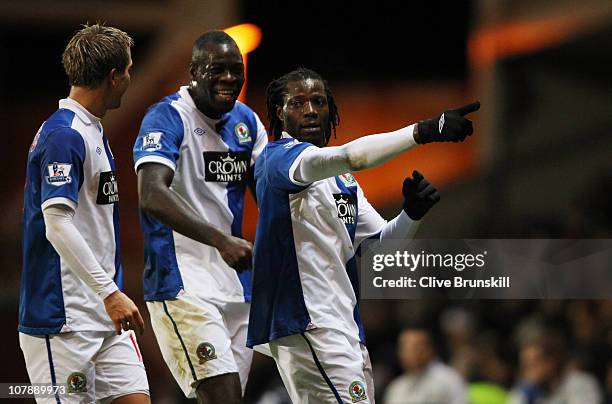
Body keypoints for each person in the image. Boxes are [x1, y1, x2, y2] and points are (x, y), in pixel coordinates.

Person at [247, 67, 479, 403]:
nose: (310, 110)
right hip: (309, 322)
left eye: (318, 101)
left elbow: (380, 248)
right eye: (297, 103)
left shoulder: (343, 183)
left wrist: (411, 213)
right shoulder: (280, 159)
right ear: (280, 114)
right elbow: (352, 156)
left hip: (341, 326)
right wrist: (426, 130)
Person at [132, 31, 267, 403]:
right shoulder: (166, 117)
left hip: (238, 289)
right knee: (222, 396)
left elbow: (270, 198)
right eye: (217, 69)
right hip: (182, 285)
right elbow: (151, 194)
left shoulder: (248, 123)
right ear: (194, 71)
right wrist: (220, 240)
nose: (228, 78)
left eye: (235, 70)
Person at [19, 23, 150, 403]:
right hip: (62, 324)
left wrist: (109, 298)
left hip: (107, 322)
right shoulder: (64, 136)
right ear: (113, 76)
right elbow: (56, 224)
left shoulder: (92, 131)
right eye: (127, 70)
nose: (129, 77)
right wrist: (110, 293)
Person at [508, 331, 603, 404]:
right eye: (526, 366)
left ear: (551, 362)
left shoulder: (581, 383)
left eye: (534, 364)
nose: (529, 372)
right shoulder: (525, 390)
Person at [384, 327, 467, 404]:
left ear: (429, 349)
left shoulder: (449, 379)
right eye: (405, 348)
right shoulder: (396, 388)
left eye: (416, 347)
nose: (410, 353)